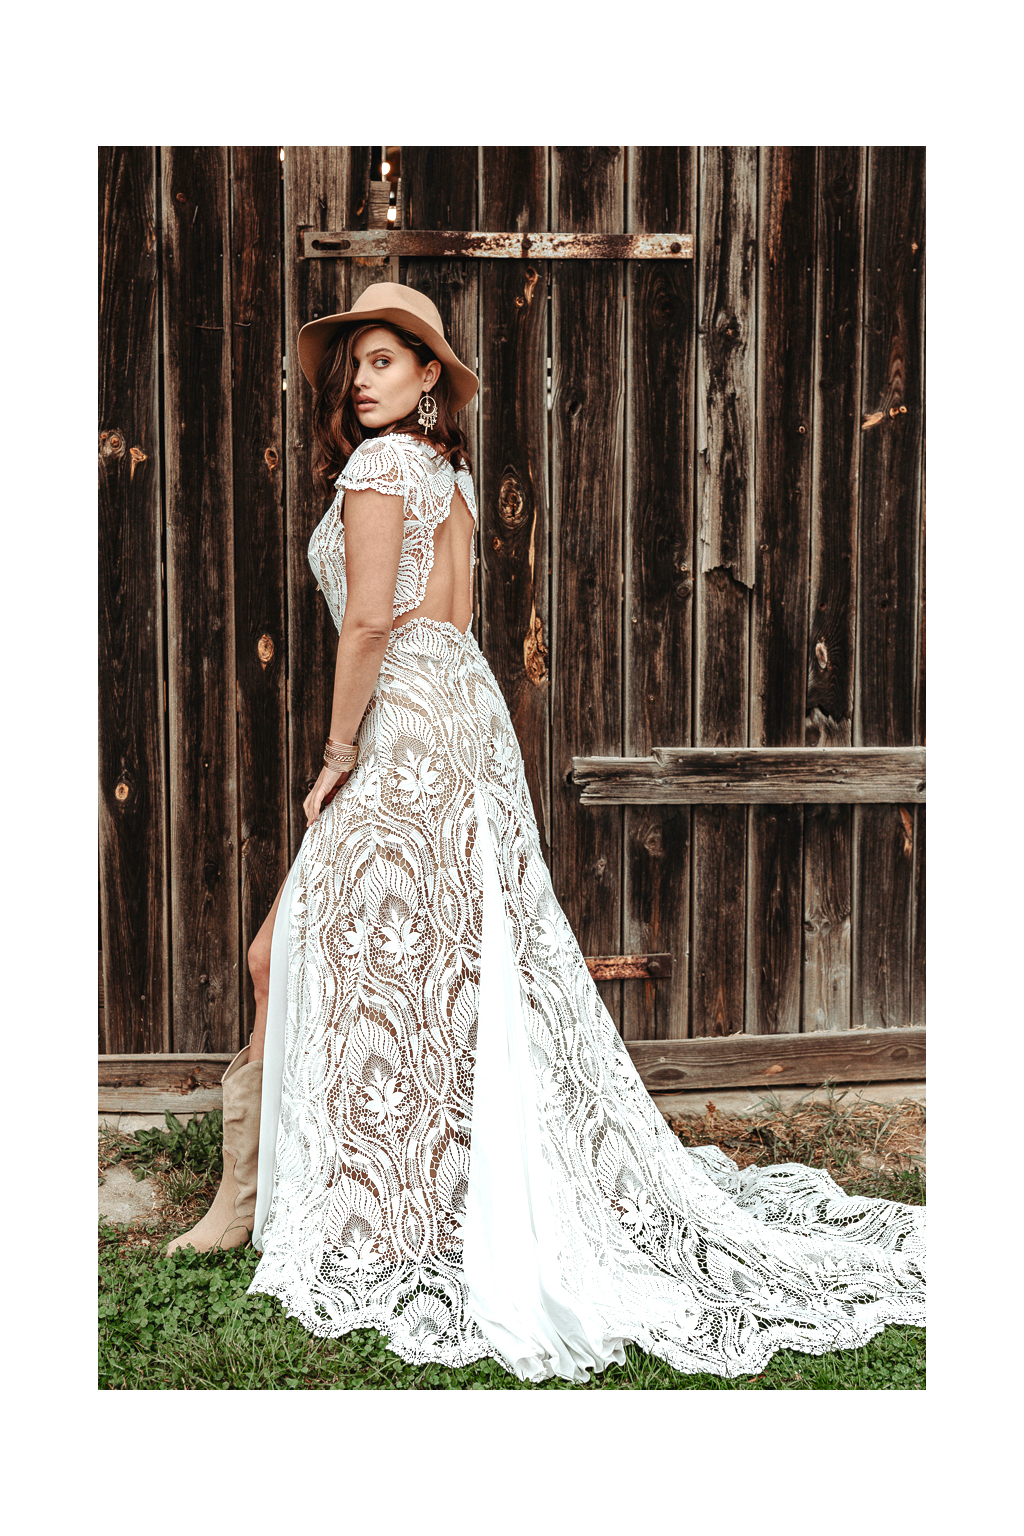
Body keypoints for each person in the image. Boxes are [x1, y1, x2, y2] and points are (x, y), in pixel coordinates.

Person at [166, 282, 925, 1383]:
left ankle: (318, 1201)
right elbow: (451, 623)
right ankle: (311, 1189)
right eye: (355, 364)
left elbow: (371, 623)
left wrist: (335, 756)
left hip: (409, 727)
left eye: (386, 360)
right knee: (406, 957)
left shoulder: (381, 472)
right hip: (460, 717)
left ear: (430, 376)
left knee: (308, 952)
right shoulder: (450, 481)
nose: (363, 381)